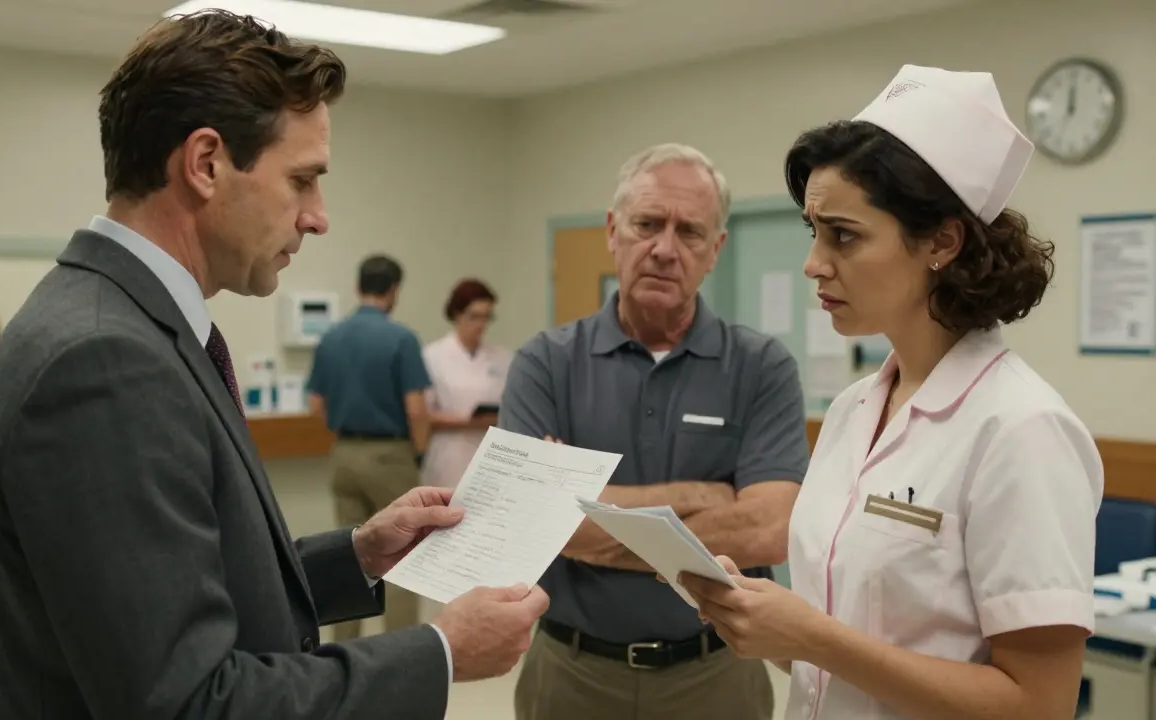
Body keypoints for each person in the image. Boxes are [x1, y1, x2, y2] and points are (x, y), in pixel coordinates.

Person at [0, 11, 548, 720]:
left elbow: (176, 591)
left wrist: (358, 555)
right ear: (206, 163)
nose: (319, 215)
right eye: (302, 180)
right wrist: (443, 652)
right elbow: (188, 703)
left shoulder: (118, 321)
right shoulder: (103, 362)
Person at [681, 64, 1103, 720]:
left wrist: (811, 636)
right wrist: (760, 620)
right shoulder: (853, 410)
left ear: (941, 241)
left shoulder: (1020, 429)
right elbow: (841, 653)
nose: (813, 263)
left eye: (843, 235)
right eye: (812, 232)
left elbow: (1038, 705)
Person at [498, 142, 809, 720]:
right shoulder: (545, 363)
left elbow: (770, 529)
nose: (664, 249)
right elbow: (528, 519)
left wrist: (585, 517)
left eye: (689, 232)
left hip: (717, 673)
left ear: (715, 250)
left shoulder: (762, 367)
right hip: (572, 672)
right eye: (647, 224)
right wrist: (701, 497)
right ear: (613, 231)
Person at [306, 254, 433, 640]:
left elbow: (316, 406)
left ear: (358, 286)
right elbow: (416, 410)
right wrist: (417, 454)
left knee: (345, 554)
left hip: (343, 454)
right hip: (389, 455)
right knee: (404, 554)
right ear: (393, 290)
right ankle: (402, 648)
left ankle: (342, 651)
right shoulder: (401, 338)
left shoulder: (330, 337)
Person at [422, 278, 510, 491]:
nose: (481, 324)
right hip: (449, 454)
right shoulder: (432, 356)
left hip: (490, 453)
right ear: (456, 315)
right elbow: (424, 414)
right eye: (474, 317)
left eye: (487, 317)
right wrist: (468, 421)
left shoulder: (503, 357)